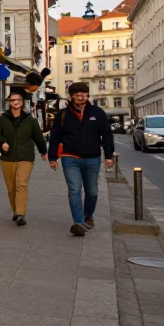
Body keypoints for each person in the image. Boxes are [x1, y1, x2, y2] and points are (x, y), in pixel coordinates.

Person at [48, 82, 114, 236]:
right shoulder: (63, 114)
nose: (80, 96)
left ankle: (88, 215)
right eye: (76, 94)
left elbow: (107, 135)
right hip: (70, 158)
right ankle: (78, 223)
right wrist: (52, 157)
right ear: (71, 97)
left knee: (92, 191)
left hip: (93, 158)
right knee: (74, 189)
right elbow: (55, 136)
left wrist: (109, 155)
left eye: (82, 94)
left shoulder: (97, 113)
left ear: (87, 95)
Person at [0, 92, 47, 226]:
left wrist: (43, 152)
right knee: (11, 187)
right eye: (12, 100)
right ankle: (16, 211)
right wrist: (2, 142)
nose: (14, 102)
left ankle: (21, 213)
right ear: (9, 103)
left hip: (25, 157)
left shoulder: (30, 120)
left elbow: (38, 137)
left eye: (17, 100)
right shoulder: (2, 119)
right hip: (7, 158)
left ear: (21, 102)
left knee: (21, 184)